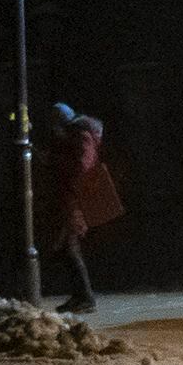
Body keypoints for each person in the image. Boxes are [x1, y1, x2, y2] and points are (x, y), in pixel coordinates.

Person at [34, 101, 123, 316]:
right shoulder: (76, 136)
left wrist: (53, 160)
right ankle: (81, 296)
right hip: (70, 199)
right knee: (68, 248)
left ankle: (85, 297)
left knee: (68, 247)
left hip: (76, 200)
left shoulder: (81, 136)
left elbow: (82, 166)